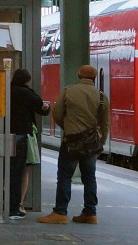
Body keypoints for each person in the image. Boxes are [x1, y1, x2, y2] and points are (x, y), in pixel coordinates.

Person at [39, 64, 110, 225]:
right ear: (94, 78)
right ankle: (90, 213)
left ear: (79, 76)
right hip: (92, 143)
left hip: (71, 141)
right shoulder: (101, 97)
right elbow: (105, 124)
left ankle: (60, 212)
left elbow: (56, 114)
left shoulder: (68, 91)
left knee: (64, 176)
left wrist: (68, 127)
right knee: (89, 177)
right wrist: (101, 143)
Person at [0, 68, 50, 220]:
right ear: (26, 81)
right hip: (19, 135)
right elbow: (40, 106)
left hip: (1, 134)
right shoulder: (26, 93)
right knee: (16, 172)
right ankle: (13, 209)